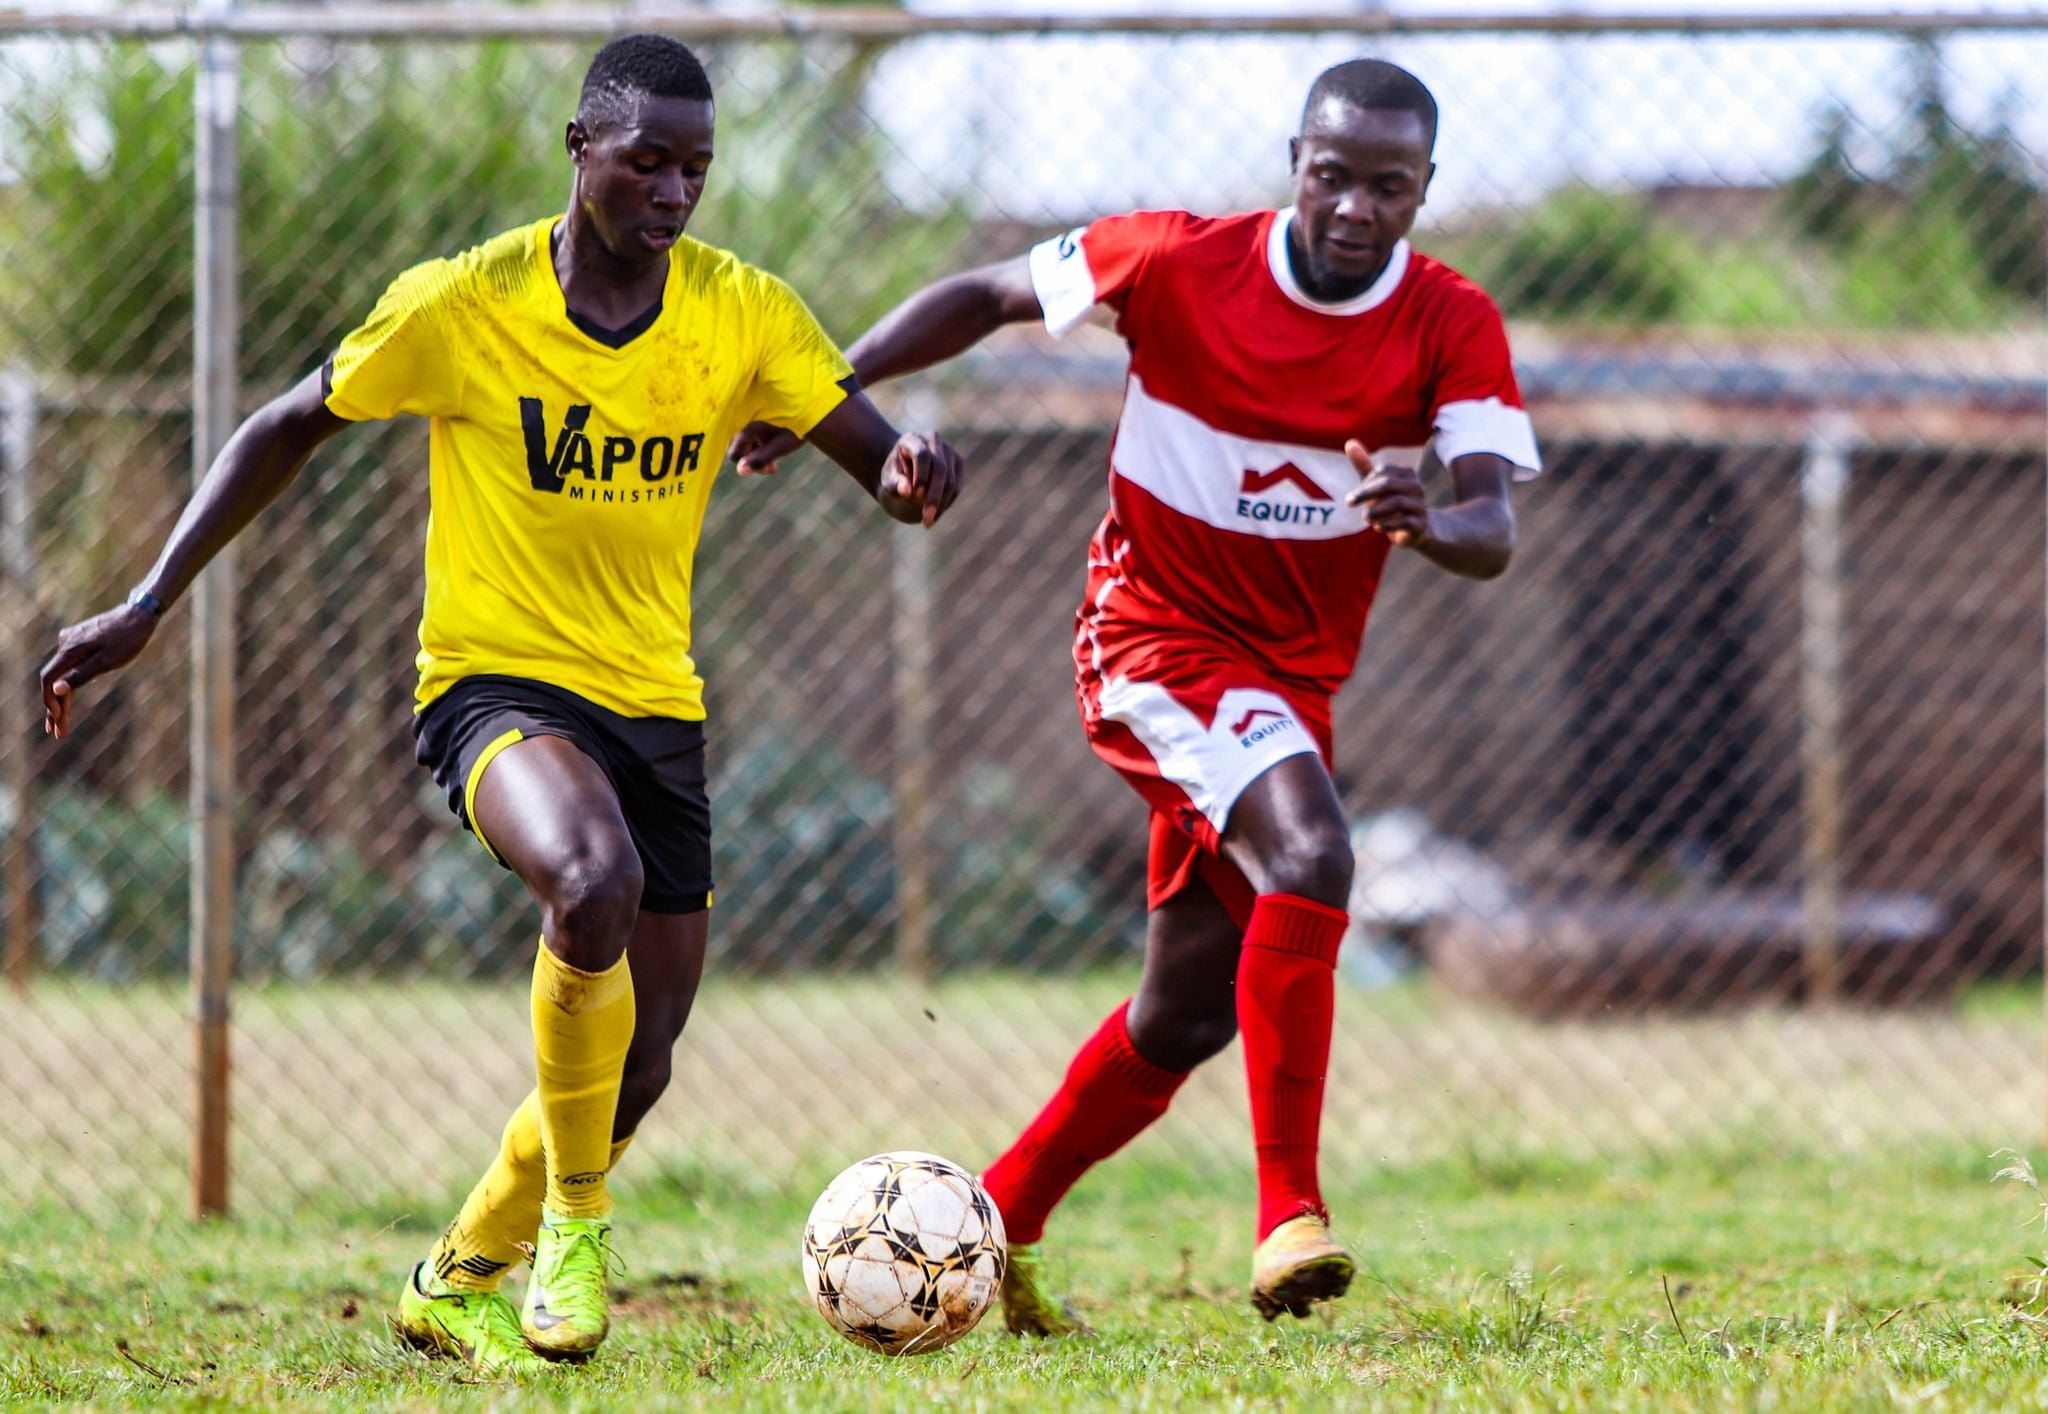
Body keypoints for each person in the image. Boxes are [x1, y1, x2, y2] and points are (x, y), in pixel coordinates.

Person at [38, 34, 962, 1373]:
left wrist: (916, 474)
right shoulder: (463, 302)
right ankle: (577, 1237)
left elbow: (878, 459)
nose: (674, 188)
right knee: (587, 878)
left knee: (636, 1062)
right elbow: (284, 425)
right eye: (647, 159)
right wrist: (149, 598)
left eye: (696, 166)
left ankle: (455, 1274)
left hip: (655, 704)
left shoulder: (744, 309)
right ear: (580, 150)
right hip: (494, 688)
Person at [729, 57, 1538, 1328]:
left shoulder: (1448, 319)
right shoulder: (1174, 259)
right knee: (1313, 853)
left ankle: (993, 1220)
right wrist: (830, 393)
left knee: (1181, 1014)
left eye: (1388, 186)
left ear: (1422, 191)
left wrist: (1429, 520)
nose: (1353, 208)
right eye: (1331, 176)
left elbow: (1491, 520)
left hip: (1283, 693)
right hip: (1151, 641)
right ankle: (1287, 1217)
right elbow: (985, 292)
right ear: (1294, 162)